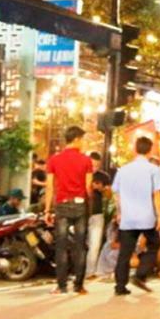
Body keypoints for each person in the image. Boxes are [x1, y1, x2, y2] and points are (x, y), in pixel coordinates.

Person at [112, 136, 160, 295]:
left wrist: (119, 212)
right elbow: (157, 195)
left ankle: (120, 285)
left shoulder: (123, 170)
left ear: (135, 149)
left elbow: (116, 194)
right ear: (150, 150)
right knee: (155, 244)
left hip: (128, 217)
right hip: (146, 216)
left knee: (125, 252)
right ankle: (141, 273)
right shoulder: (153, 170)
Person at [44, 125, 94, 295]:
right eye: (83, 140)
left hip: (62, 204)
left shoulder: (54, 160)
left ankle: (61, 285)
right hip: (80, 205)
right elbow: (88, 187)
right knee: (80, 246)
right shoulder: (86, 161)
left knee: (61, 246)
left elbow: (50, 187)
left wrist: (47, 210)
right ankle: (79, 286)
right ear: (77, 139)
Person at [85, 171, 112, 280]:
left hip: (96, 213)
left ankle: (90, 271)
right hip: (81, 212)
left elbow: (109, 194)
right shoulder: (82, 174)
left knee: (94, 245)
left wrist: (102, 189)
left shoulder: (103, 176)